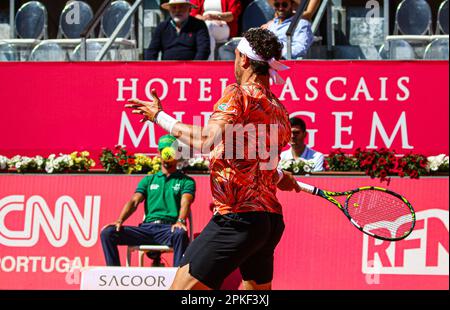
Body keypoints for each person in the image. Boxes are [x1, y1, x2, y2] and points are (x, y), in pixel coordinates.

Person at [126, 28, 301, 290]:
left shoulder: (238, 94)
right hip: (268, 222)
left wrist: (159, 117)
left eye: (234, 55)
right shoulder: (279, 109)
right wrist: (279, 176)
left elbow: (205, 140)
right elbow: (254, 158)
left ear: (243, 59)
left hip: (237, 217)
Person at [100, 135, 196, 267]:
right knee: (108, 233)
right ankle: (114, 277)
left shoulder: (186, 181)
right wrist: (120, 220)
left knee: (180, 233)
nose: (167, 154)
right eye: (164, 151)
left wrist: (180, 220)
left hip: (169, 229)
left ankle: (177, 281)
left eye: (171, 151)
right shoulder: (148, 180)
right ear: (159, 153)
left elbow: (186, 202)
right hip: (147, 229)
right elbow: (134, 202)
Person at [145, 0, 210, 60]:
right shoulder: (162, 27)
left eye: (182, 7)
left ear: (189, 10)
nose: (177, 11)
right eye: (174, 7)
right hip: (167, 69)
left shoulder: (199, 25)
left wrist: (194, 67)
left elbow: (203, 50)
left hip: (191, 69)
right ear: (169, 10)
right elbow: (152, 51)